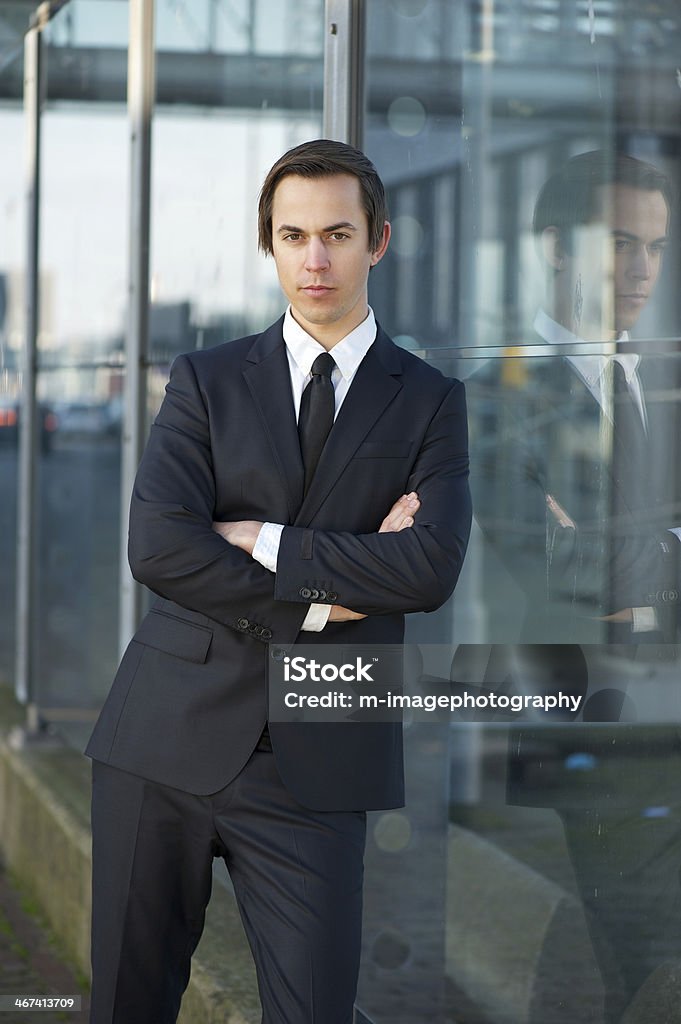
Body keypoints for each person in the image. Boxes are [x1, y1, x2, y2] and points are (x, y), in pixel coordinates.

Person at [85, 139, 471, 1024]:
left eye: (337, 233)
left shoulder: (430, 400)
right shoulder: (205, 380)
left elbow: (429, 566)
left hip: (322, 759)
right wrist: (326, 594)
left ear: (378, 240)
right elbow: (159, 548)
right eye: (293, 235)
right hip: (160, 744)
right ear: (271, 244)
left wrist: (263, 537)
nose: (315, 259)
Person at [467, 151, 681, 1021]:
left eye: (656, 247)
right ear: (555, 246)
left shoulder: (667, 382)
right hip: (603, 736)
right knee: (649, 967)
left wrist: (628, 553)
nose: (640, 271)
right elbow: (553, 568)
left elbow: (596, 558)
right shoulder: (492, 398)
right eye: (619, 242)